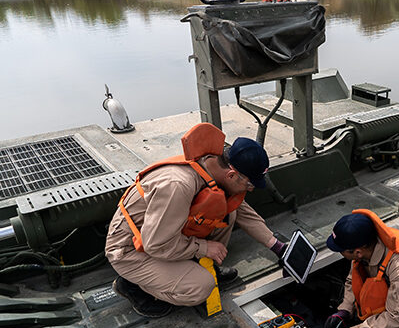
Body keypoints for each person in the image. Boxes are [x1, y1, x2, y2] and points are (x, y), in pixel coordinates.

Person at [105, 123, 285, 317]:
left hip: (162, 233)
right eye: (250, 184)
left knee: (228, 212)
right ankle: (132, 285)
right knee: (200, 287)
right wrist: (204, 248)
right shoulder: (178, 185)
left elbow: (243, 212)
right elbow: (156, 245)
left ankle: (200, 267)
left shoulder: (212, 166)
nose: (250, 189)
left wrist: (277, 246)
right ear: (232, 175)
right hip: (131, 249)